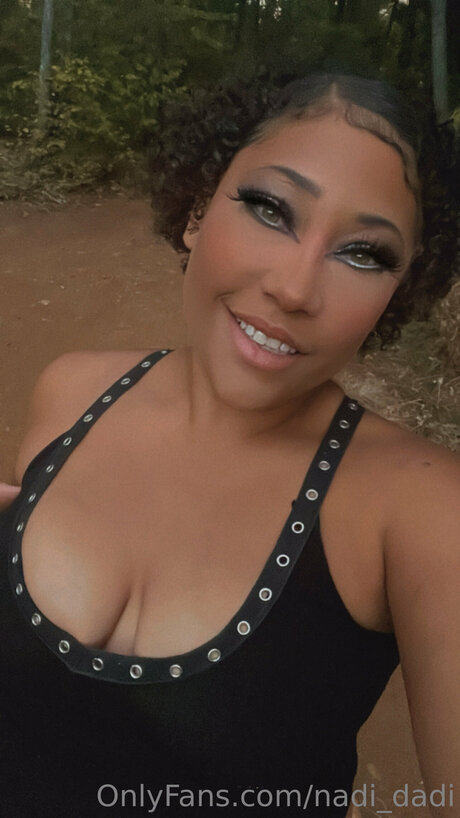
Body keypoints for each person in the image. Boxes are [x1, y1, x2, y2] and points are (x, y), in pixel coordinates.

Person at [0, 73, 458, 818]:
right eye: (271, 209)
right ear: (195, 211)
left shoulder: (422, 510)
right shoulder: (69, 393)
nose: (295, 289)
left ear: (396, 296)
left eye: (365, 254)